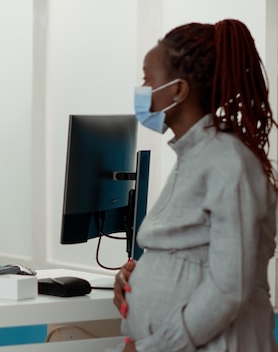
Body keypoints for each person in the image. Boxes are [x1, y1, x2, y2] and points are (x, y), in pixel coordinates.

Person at [111, 19, 278, 351]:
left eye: (148, 79)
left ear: (178, 90)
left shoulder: (227, 162)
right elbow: (191, 255)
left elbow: (230, 288)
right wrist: (135, 279)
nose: (142, 89)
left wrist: (152, 348)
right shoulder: (194, 156)